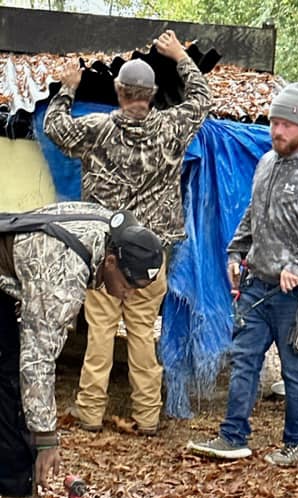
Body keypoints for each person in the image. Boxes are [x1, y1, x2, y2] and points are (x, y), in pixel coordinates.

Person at [44, 30, 211, 435]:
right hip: (152, 259)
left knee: (99, 334)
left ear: (119, 91)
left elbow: (53, 126)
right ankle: (148, 416)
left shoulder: (97, 128)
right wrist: (179, 58)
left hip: (106, 257)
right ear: (151, 95)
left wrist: (68, 89)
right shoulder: (172, 128)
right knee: (141, 334)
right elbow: (202, 100)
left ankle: (88, 414)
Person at [187, 83, 298, 466]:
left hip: (295, 294)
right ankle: (232, 437)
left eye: (286, 124)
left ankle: (297, 442)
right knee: (244, 360)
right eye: (274, 122)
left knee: (294, 369)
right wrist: (235, 251)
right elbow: (252, 212)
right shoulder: (265, 163)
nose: (277, 131)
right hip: (256, 286)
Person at [0, 202, 164, 498]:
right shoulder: (65, 273)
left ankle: (16, 494)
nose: (128, 296)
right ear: (112, 261)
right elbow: (37, 362)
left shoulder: (114, 230)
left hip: (9, 274)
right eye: (128, 285)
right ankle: (18, 493)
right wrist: (47, 439)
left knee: (8, 377)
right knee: (13, 376)